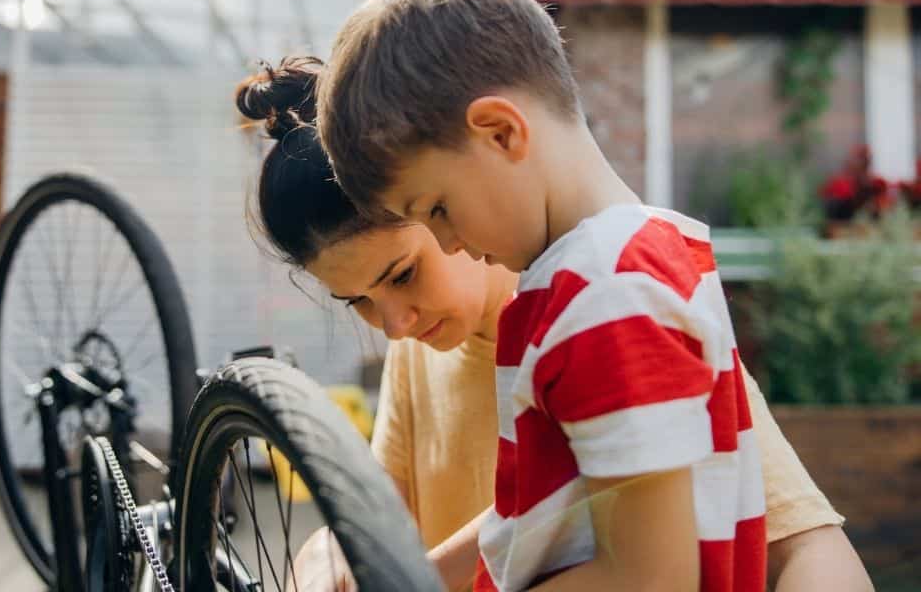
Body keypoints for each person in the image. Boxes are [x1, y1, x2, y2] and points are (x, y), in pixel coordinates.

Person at [235, 55, 873, 592]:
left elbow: (808, 545)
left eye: (402, 275)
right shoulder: (418, 348)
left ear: (433, 206)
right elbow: (378, 524)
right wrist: (326, 557)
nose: (393, 324)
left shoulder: (614, 318)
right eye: (359, 303)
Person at [314, 0, 805, 590]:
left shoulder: (606, 296)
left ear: (500, 131)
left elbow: (651, 579)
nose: (446, 240)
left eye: (437, 208)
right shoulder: (632, 258)